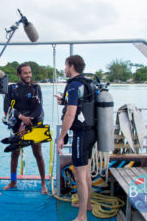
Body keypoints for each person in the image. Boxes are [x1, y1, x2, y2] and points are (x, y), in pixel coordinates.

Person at [56, 55, 96, 221]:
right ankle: (87, 205)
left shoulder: (74, 85)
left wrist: (61, 136)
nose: (65, 69)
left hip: (81, 134)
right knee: (85, 171)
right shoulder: (87, 82)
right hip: (91, 132)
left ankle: (82, 217)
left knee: (79, 175)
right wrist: (63, 103)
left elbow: (71, 113)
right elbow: (81, 106)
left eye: (66, 66)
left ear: (71, 66)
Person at [3, 63, 47, 194]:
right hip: (18, 123)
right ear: (19, 75)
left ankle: (44, 183)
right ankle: (13, 181)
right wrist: (21, 118)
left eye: (30, 72)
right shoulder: (11, 89)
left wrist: (28, 121)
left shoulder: (36, 87)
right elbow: (7, 108)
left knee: (38, 153)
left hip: (34, 122)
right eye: (25, 73)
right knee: (15, 153)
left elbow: (39, 108)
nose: (29, 75)